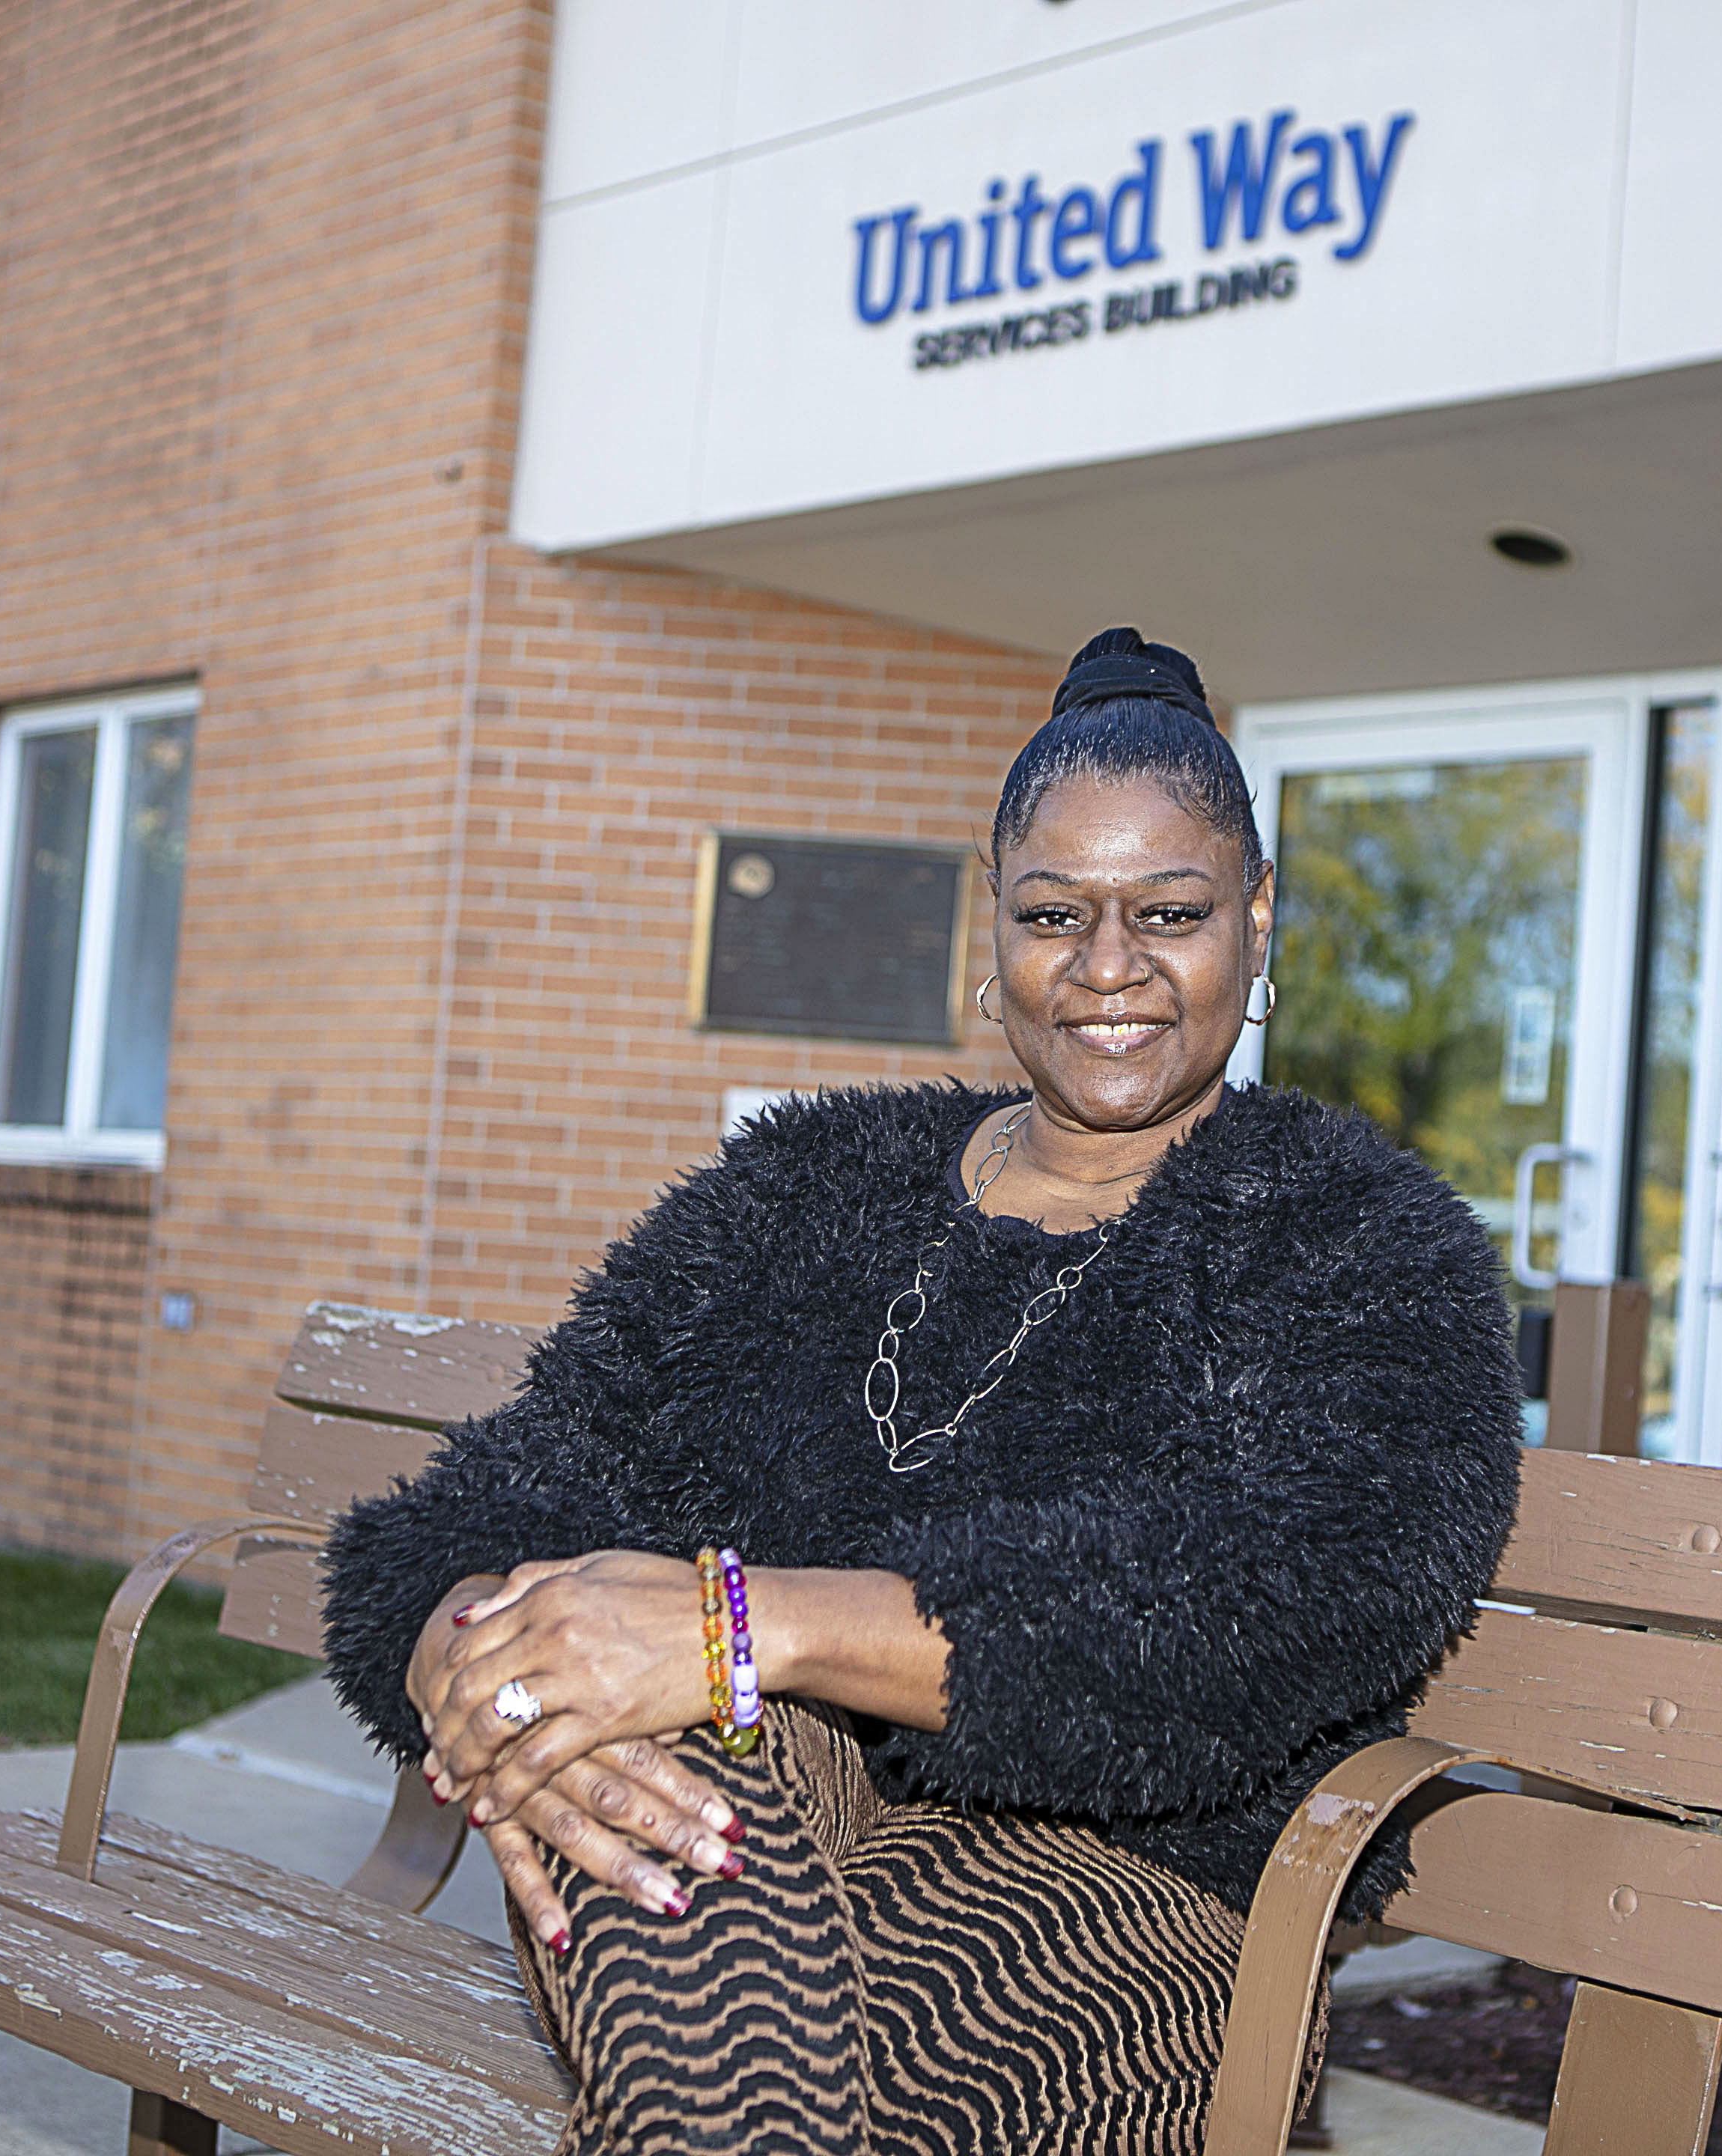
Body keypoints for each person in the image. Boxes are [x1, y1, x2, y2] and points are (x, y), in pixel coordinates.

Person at [322, 627, 1523, 2153]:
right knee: (657, 1759)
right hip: (752, 1823)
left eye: (1170, 913)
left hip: (1136, 1895)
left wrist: (742, 1627)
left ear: (1259, 919)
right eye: (1054, 915)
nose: (1107, 970)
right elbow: (532, 1467)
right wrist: (468, 1644)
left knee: (700, 1788)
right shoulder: (807, 1186)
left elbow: (1269, 1605)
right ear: (995, 919)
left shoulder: (1352, 1236)